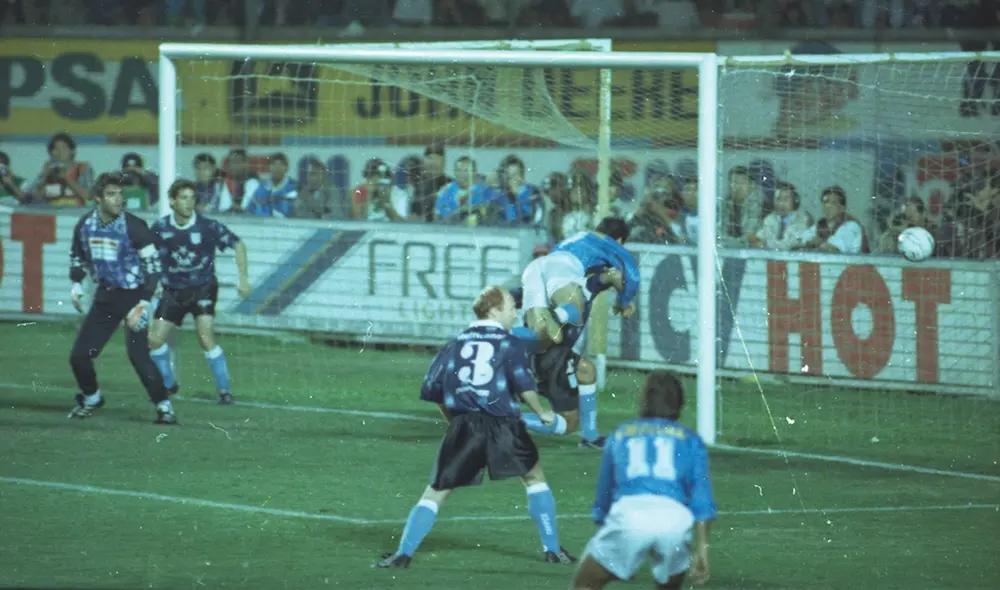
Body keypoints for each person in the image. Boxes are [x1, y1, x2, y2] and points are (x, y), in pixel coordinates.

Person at [374, 286, 576, 569]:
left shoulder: (454, 344)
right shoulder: (509, 343)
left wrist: (453, 421)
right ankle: (552, 550)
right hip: (504, 425)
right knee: (534, 478)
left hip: (465, 424)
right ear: (494, 310)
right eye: (510, 307)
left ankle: (403, 554)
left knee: (437, 490)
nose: (515, 313)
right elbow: (524, 384)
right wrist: (542, 412)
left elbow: (433, 389)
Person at [571, 371, 716, 590]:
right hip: (674, 521)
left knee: (585, 584)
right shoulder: (691, 440)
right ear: (679, 402)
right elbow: (702, 500)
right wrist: (702, 551)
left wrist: (603, 523)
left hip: (631, 515)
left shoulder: (621, 434)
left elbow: (605, 491)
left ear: (644, 399)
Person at [67, 172, 175, 424]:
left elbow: (153, 267)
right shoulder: (85, 225)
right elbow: (77, 255)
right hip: (106, 297)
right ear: (98, 198)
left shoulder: (134, 226)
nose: (119, 199)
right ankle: (92, 397)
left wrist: (143, 303)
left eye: (120, 194)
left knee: (138, 354)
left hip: (136, 296)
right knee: (79, 356)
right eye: (111, 194)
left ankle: (164, 407)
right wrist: (76, 283)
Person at [148, 179, 250, 405]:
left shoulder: (207, 226)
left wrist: (243, 278)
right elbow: (145, 252)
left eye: (192, 198)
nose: (189, 202)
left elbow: (238, 244)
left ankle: (225, 391)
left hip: (202, 289)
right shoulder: (160, 228)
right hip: (172, 291)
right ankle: (168, 383)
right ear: (172, 201)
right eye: (183, 198)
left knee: (205, 336)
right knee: (154, 339)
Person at [510, 269, 619, 449]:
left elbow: (607, 279)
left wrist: (624, 298)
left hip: (554, 354)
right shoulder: (539, 293)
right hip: (542, 358)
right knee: (569, 423)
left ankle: (590, 437)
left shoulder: (580, 288)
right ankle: (508, 421)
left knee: (586, 369)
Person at [520, 217, 640, 346]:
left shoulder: (580, 236)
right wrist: (624, 301)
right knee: (575, 311)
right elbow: (632, 276)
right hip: (564, 267)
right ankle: (556, 315)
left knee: (538, 332)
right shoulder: (612, 245)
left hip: (537, 267)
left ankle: (515, 329)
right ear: (619, 240)